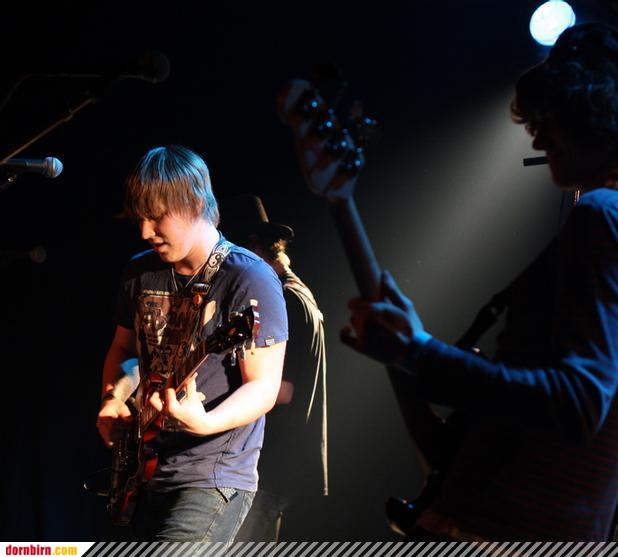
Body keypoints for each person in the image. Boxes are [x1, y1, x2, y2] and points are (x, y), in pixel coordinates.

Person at [342, 22, 618, 541]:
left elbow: (579, 403)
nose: (536, 135)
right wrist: (407, 355)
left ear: (595, 113)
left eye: (550, 116)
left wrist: (419, 353)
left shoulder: (601, 214)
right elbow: (473, 446)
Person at [95, 145, 288, 543]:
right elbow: (125, 351)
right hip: (145, 473)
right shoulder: (139, 271)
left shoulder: (248, 278)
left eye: (156, 216)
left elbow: (264, 386)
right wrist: (113, 398)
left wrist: (206, 422)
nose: (145, 231)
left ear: (195, 203)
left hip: (212, 476)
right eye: (140, 218)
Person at [221, 195, 328, 542]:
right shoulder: (299, 294)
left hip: (269, 462)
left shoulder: (287, 300)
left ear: (253, 247)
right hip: (276, 461)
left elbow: (283, 389)